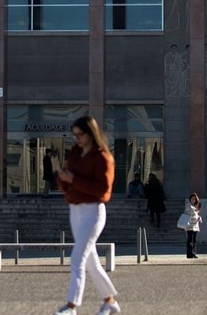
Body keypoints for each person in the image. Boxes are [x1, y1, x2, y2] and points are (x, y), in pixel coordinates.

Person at [54, 116, 121, 315]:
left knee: (77, 259)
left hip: (93, 211)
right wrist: (64, 180)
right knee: (91, 262)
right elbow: (67, 180)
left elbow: (103, 190)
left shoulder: (102, 157)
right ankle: (110, 302)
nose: (76, 139)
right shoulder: (75, 153)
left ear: (91, 133)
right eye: (74, 135)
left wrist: (73, 180)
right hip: (75, 209)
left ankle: (71, 306)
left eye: (80, 135)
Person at [184, 193, 203, 259]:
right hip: (190, 226)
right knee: (190, 240)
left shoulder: (195, 206)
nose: (193, 200)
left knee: (194, 240)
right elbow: (189, 214)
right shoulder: (188, 206)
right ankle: (189, 254)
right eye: (192, 199)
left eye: (194, 199)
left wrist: (199, 217)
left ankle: (194, 253)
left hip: (195, 225)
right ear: (190, 199)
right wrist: (196, 216)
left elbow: (196, 214)